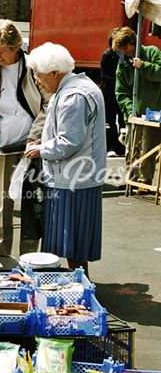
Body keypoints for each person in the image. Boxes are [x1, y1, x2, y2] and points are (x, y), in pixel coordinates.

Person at [25, 43, 106, 274]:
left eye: (39, 76)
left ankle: (80, 290)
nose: (38, 81)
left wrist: (41, 149)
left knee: (73, 244)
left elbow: (69, 141)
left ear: (54, 72)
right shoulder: (81, 86)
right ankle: (79, 285)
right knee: (75, 245)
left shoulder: (72, 96)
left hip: (72, 180)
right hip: (79, 178)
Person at [0, 21, 48, 256]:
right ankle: (2, 258)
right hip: (1, 150)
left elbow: (48, 105)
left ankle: (29, 259)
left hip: (30, 148)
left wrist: (35, 136)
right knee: (2, 207)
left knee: (32, 206)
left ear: (16, 47)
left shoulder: (34, 68)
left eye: (1, 51)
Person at [113, 25, 161, 187]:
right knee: (131, 147)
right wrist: (128, 109)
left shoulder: (152, 52)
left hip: (153, 110)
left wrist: (144, 66)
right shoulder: (123, 64)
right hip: (133, 112)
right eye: (121, 49)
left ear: (133, 43)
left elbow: (160, 73)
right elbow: (120, 91)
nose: (124, 52)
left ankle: (143, 180)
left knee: (148, 146)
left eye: (125, 48)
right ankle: (131, 177)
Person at [100, 30, 125, 156]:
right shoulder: (107, 56)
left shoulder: (125, 56)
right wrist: (119, 82)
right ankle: (111, 146)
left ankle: (122, 147)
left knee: (123, 119)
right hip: (109, 93)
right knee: (109, 121)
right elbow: (105, 77)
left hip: (122, 93)